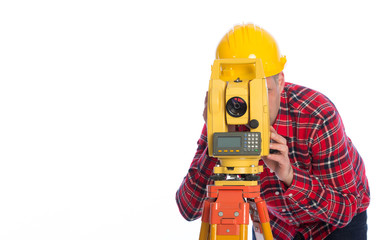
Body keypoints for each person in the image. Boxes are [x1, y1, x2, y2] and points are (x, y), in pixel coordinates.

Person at [176, 24, 370, 240]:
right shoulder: (225, 114)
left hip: (331, 226)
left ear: (281, 81)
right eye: (239, 91)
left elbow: (345, 209)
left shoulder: (316, 115)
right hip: (276, 225)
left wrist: (290, 176)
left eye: (261, 91)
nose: (250, 104)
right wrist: (218, 140)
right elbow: (188, 208)